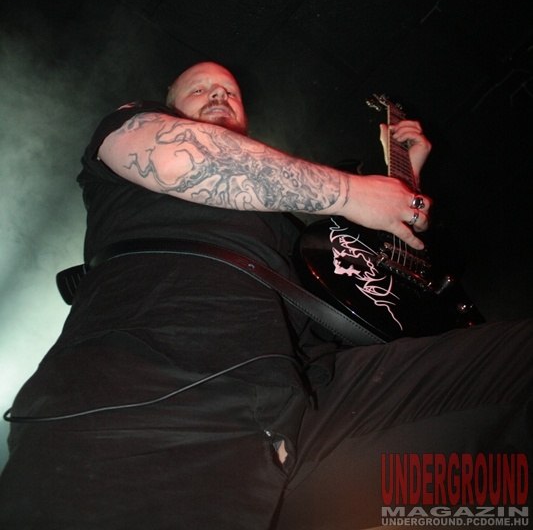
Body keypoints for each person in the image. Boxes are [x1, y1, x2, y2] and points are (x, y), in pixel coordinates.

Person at [0, 61, 530, 530]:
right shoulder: (130, 130)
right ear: (166, 106)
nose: (219, 94)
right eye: (199, 89)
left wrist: (403, 182)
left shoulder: (285, 223)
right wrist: (353, 192)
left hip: (309, 404)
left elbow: (380, 285)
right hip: (149, 401)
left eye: (230, 91)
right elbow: (177, 158)